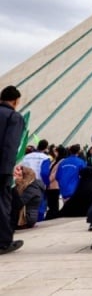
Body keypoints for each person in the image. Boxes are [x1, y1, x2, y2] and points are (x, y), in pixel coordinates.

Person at [0, 85, 25, 254]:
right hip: (2, 169)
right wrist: (7, 170)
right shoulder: (13, 117)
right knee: (3, 204)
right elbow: (10, 145)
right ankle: (4, 242)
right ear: (15, 101)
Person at [11, 165, 45, 230]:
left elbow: (18, 204)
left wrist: (13, 187)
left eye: (19, 175)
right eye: (15, 175)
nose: (16, 178)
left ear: (26, 176)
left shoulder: (33, 187)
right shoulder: (20, 185)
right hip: (21, 216)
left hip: (27, 218)